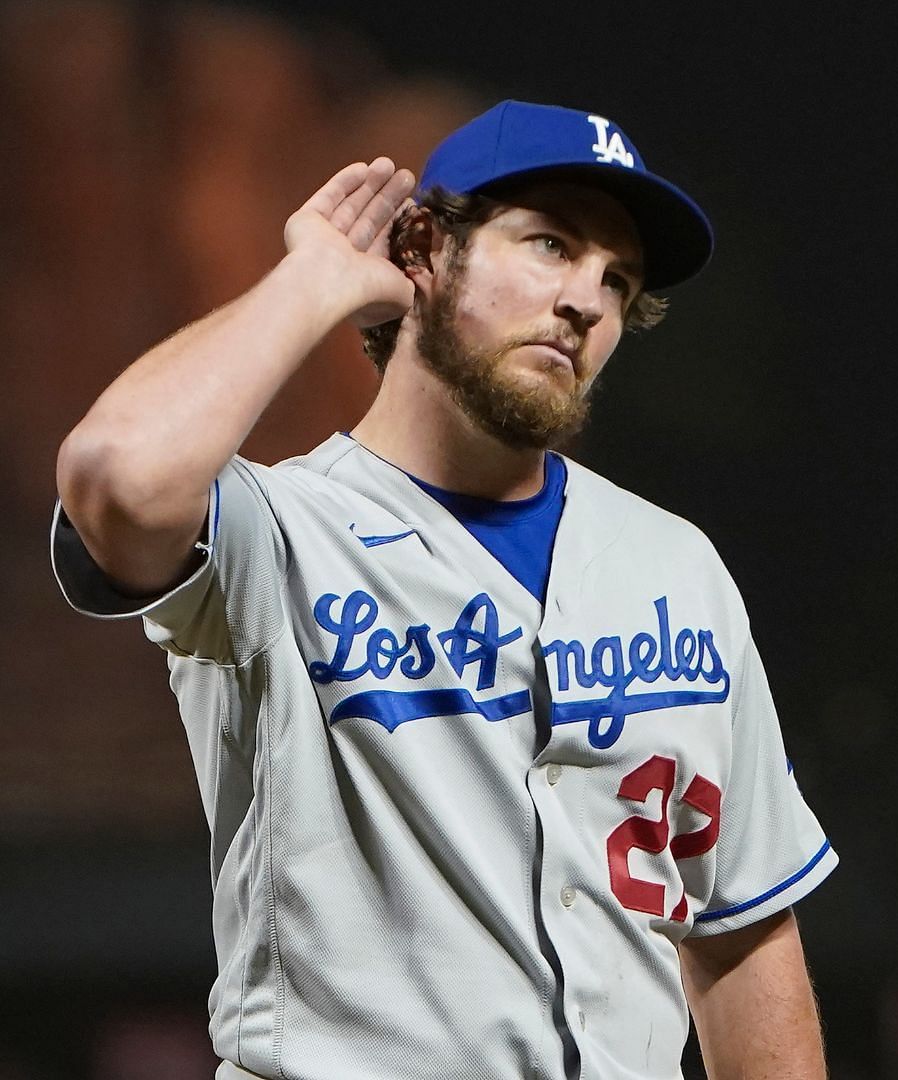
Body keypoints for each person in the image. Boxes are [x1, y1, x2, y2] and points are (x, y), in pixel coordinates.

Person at [52, 100, 836, 1079]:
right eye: (550, 243)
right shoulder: (281, 531)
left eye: (617, 280)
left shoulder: (676, 563)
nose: (587, 300)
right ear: (422, 243)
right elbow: (116, 480)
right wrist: (312, 284)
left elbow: (742, 929)